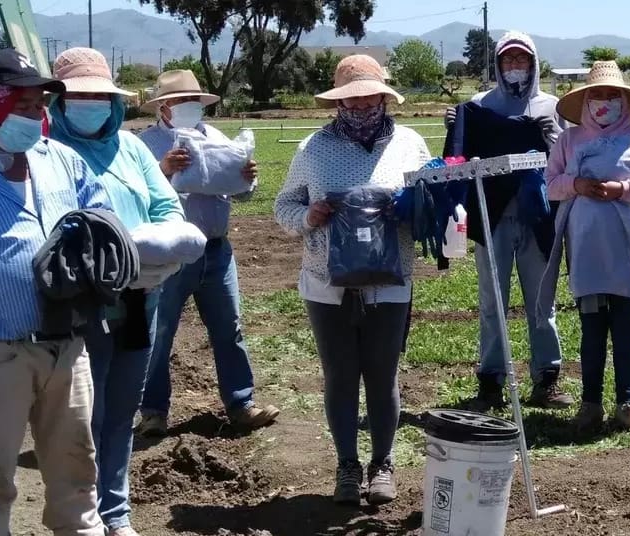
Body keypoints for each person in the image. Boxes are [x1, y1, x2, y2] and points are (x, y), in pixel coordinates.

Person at [0, 48, 108, 536]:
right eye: (23, 105)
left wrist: (95, 241)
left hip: (68, 349)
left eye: (39, 105)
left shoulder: (61, 161)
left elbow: (100, 211)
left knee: (78, 478)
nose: (36, 116)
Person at [274, 55, 427, 507]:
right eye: (350, 97)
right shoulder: (312, 150)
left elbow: (431, 206)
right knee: (340, 376)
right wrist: (309, 215)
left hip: (390, 280)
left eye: (369, 95)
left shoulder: (410, 145)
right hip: (327, 283)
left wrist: (417, 209)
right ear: (337, 101)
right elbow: (283, 207)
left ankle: (383, 464)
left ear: (384, 96)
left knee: (383, 375)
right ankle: (346, 466)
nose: (361, 104)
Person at [48, 47, 185, 536]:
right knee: (85, 415)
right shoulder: (43, 153)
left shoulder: (130, 149)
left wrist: (147, 253)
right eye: (78, 95)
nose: (90, 103)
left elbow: (169, 210)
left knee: (123, 409)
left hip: (139, 299)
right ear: (58, 102)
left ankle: (117, 511)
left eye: (99, 95)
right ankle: (82, 513)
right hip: (76, 309)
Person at [136, 69, 280, 436]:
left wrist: (249, 178)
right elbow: (135, 193)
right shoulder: (145, 145)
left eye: (193, 102)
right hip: (169, 253)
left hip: (217, 249)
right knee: (160, 330)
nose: (189, 107)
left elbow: (241, 192)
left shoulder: (217, 138)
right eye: (181, 102)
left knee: (229, 327)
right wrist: (164, 169)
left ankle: (241, 403)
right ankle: (153, 411)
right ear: (163, 107)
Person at [444, 31, 574, 411]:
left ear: (533, 64)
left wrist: (555, 139)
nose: (515, 67)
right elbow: (458, 160)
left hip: (540, 218)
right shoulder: (478, 106)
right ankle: (491, 381)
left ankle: (546, 379)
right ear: (498, 66)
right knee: (492, 300)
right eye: (508, 61)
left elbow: (568, 157)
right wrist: (456, 127)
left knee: (541, 299)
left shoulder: (554, 108)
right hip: (492, 216)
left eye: (521, 61)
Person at [540, 61, 630, 432]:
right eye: (596, 94)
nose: (603, 101)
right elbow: (550, 183)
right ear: (585, 99)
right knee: (592, 329)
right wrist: (576, 185)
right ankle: (591, 403)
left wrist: (624, 189)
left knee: (626, 328)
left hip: (629, 249)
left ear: (624, 100)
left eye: (611, 95)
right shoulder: (568, 139)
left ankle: (628, 402)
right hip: (586, 252)